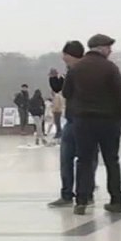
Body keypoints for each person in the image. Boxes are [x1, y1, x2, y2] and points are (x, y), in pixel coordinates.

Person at [63, 33, 121, 215]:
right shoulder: (110, 68)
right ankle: (116, 200)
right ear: (100, 48)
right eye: (108, 47)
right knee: (111, 161)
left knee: (84, 160)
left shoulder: (76, 68)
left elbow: (67, 92)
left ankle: (81, 201)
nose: (110, 50)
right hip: (109, 121)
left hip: (83, 121)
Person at [48, 41, 84, 207]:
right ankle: (68, 192)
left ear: (71, 55)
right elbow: (61, 90)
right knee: (67, 157)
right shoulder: (71, 71)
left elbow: (67, 91)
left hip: (82, 119)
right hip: (72, 118)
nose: (63, 58)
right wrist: (55, 81)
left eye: (65, 55)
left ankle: (80, 193)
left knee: (79, 159)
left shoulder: (81, 71)